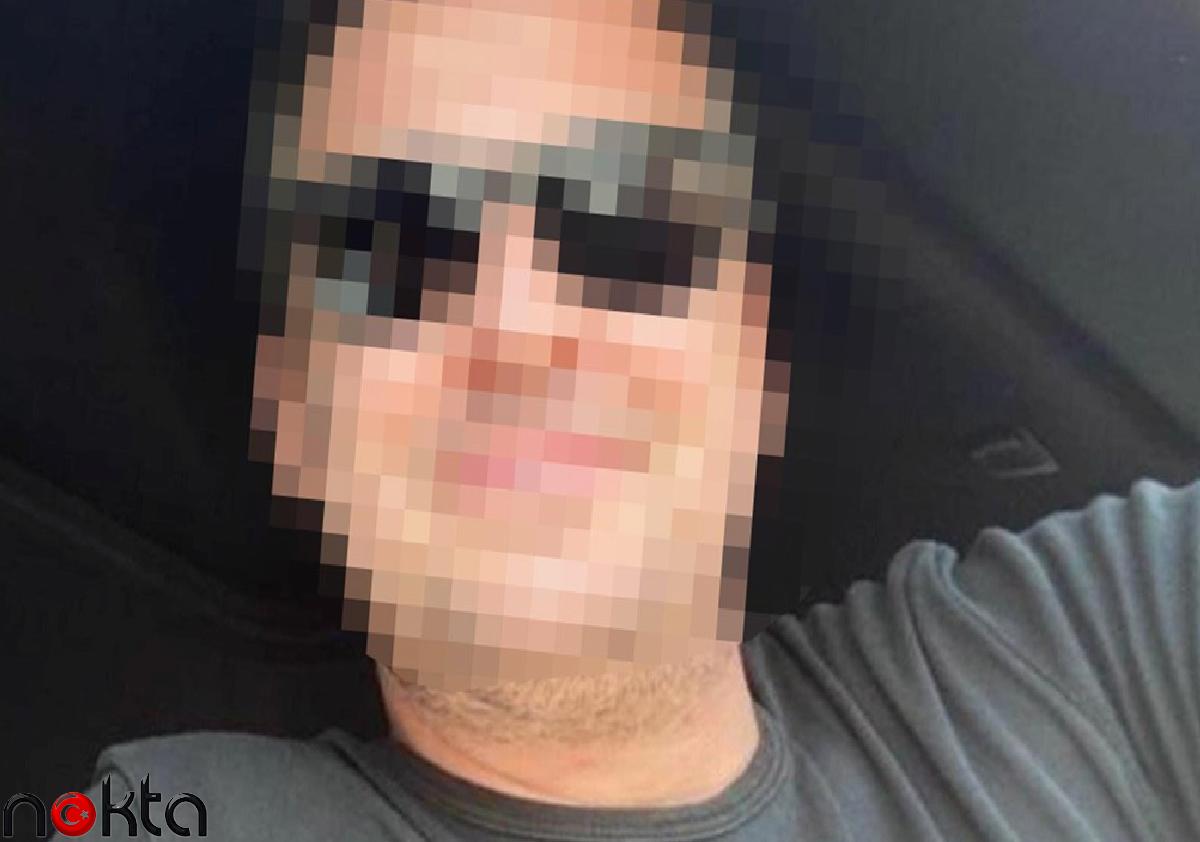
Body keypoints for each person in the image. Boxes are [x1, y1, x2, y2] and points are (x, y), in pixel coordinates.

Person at [59, 0, 1199, 839]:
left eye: (620, 225)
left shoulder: (1083, 649)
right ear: (301, 423)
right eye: (389, 250)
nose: (514, 323)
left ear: (751, 363)